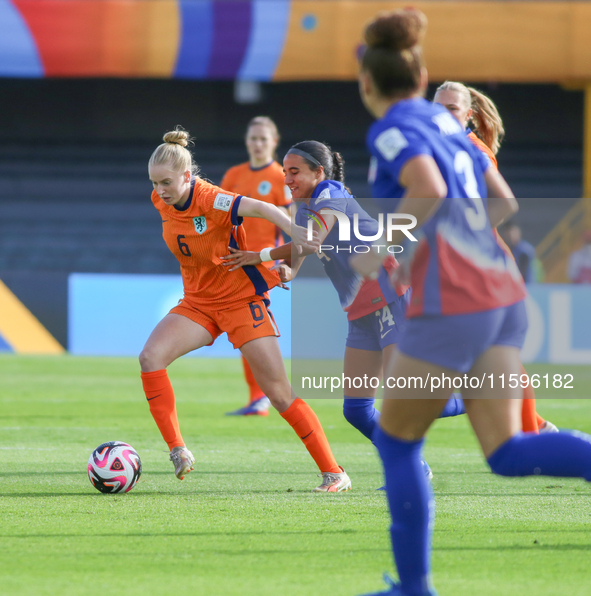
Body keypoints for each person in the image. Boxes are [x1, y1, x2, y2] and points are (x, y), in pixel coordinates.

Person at [350, 9, 591, 596]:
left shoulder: (389, 128)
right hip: (501, 293)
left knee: (396, 438)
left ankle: (414, 588)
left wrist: (386, 245)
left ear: (367, 84)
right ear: (422, 71)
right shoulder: (453, 130)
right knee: (508, 450)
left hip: (453, 301)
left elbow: (427, 190)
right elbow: (505, 204)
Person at [222, 140, 465, 482]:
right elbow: (301, 254)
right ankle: (416, 467)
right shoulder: (305, 207)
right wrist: (287, 271)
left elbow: (312, 240)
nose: (287, 179)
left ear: (318, 172)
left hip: (390, 296)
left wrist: (259, 256)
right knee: (357, 410)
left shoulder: (330, 193)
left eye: (295, 172)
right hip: (360, 312)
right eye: (284, 173)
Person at [140, 127, 351, 493]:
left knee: (279, 393)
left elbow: (264, 208)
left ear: (187, 177)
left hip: (240, 300)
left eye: (166, 182)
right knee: (150, 358)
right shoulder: (162, 201)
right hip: (199, 304)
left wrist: (296, 234)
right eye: (155, 183)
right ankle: (177, 449)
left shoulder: (212, 199)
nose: (160, 191)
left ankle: (334, 472)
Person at [433, 81, 557, 434]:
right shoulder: (430, 151)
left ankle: (535, 431)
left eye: (452, 109)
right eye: (437, 108)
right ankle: (536, 429)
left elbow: (502, 205)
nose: (442, 115)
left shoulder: (474, 152)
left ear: (468, 115)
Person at [220, 116, 292, 416]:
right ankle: (257, 397)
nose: (258, 144)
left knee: (254, 332)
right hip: (235, 263)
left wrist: (287, 262)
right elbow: (219, 219)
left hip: (263, 266)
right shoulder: (233, 175)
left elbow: (293, 225)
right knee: (242, 333)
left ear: (274, 142)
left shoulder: (280, 177)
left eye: (264, 139)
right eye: (253, 138)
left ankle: (266, 396)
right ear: (247, 141)